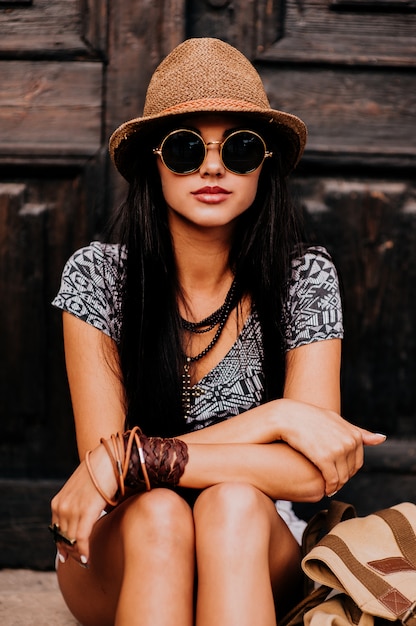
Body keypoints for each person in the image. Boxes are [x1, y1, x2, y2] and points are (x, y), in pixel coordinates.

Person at [49, 37, 385, 626]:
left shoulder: (303, 276)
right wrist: (277, 419)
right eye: (184, 148)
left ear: (265, 163)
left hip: (251, 542)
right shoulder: (97, 276)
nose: (211, 166)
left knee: (231, 504)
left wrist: (141, 456)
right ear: (154, 161)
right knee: (160, 515)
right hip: (124, 546)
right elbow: (106, 477)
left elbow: (311, 474)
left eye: (239, 148)